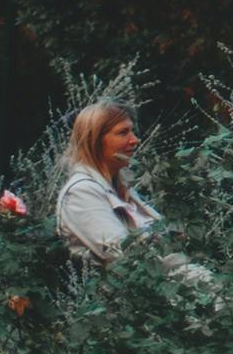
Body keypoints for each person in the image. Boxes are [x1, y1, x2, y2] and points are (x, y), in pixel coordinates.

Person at [55, 102, 163, 264]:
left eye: (132, 131)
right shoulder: (81, 192)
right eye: (123, 133)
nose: (135, 140)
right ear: (95, 141)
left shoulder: (119, 188)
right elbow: (127, 257)